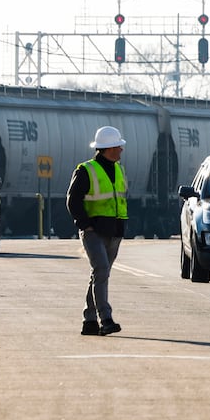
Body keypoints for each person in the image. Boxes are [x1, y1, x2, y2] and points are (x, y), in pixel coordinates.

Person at [67, 125, 129, 336]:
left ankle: (89, 321)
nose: (121, 150)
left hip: (115, 230)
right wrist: (85, 224)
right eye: (118, 146)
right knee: (101, 271)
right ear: (108, 148)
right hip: (94, 231)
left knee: (100, 275)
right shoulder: (86, 170)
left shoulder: (119, 169)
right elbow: (72, 200)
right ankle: (106, 319)